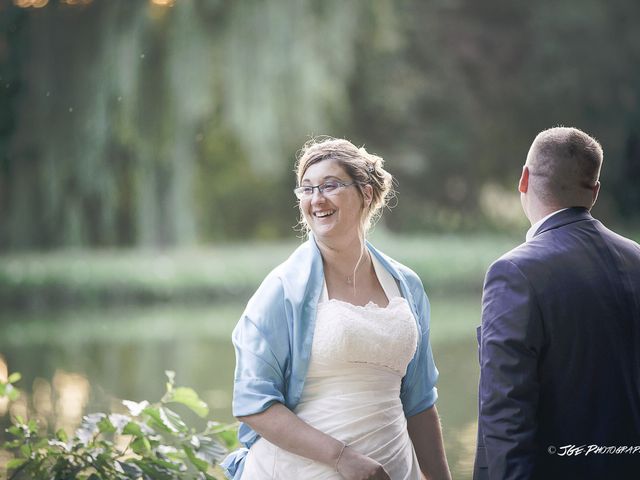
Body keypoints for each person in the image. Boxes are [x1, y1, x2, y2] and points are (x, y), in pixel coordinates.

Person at [221, 137, 452, 480]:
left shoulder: (406, 285)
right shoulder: (283, 289)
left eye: (330, 185)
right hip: (303, 471)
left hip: (396, 470)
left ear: (367, 194)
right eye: (307, 189)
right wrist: (343, 459)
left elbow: (419, 404)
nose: (317, 199)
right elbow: (254, 404)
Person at [474, 127, 640, 480]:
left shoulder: (515, 271)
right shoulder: (636, 258)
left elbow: (506, 408)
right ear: (594, 191)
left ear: (524, 179)